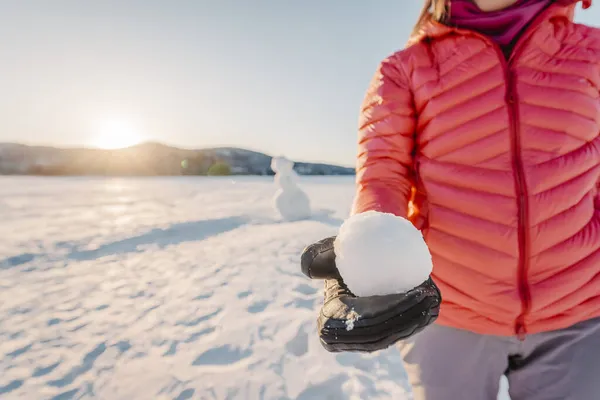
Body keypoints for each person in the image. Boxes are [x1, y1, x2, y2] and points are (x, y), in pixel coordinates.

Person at [300, 0, 599, 398]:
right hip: (450, 313)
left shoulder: (593, 54)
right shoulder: (405, 69)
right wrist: (371, 253)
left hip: (578, 312)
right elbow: (384, 175)